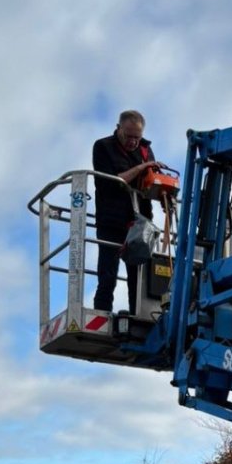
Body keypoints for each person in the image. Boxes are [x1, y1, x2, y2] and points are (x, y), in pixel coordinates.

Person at [92, 109, 163, 314]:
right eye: (128, 136)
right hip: (111, 221)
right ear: (118, 128)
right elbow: (108, 182)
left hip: (140, 222)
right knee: (108, 275)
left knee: (138, 277)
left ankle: (137, 316)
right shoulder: (103, 146)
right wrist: (141, 169)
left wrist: (161, 187)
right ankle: (102, 314)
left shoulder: (145, 151)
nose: (133, 141)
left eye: (137, 137)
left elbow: (149, 184)